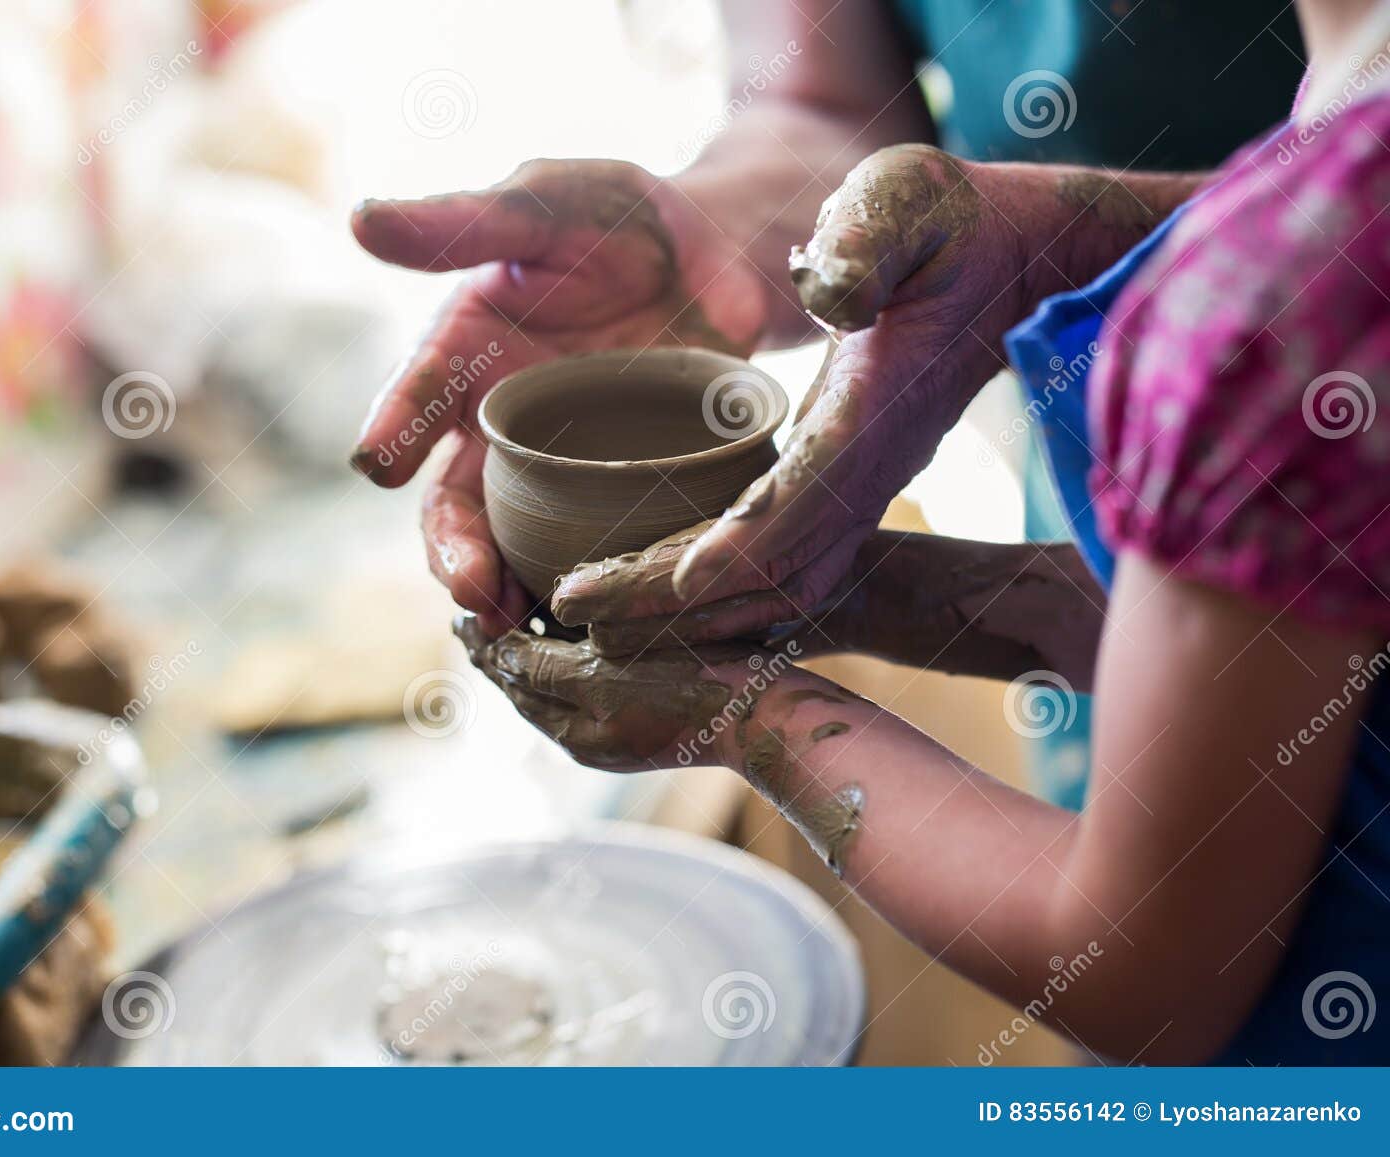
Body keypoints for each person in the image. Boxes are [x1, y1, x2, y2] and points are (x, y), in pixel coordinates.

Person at [455, 0, 1390, 1065]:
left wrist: (747, 712)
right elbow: (1306, 641)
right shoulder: (1319, 218)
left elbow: (1146, 969)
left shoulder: (1276, 296)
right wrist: (893, 595)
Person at [349, 0, 1301, 638]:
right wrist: (710, 232)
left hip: (1338, 429)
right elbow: (823, 102)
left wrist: (1066, 246)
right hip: (1102, 466)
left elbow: (1361, 181)